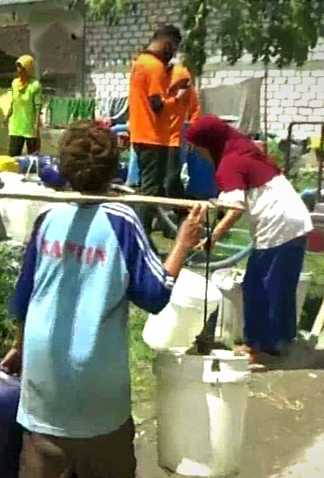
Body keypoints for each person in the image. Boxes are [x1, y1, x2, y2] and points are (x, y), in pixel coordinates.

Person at [0, 120, 205, 478]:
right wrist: (183, 243)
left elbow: (23, 297)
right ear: (115, 169)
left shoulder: (47, 218)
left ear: (65, 170)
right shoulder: (123, 220)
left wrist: (19, 346)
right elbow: (153, 295)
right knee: (111, 459)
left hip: (44, 373)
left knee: (41, 465)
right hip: (96, 378)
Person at [186, 114, 313, 366]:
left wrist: (213, 237)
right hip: (296, 220)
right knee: (281, 286)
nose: (194, 151)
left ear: (207, 143)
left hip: (278, 225)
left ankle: (256, 347)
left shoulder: (229, 163)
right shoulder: (244, 150)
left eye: (195, 145)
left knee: (257, 287)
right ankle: (281, 342)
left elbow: (235, 208)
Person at [127, 24, 186, 241]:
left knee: (149, 188)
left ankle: (157, 228)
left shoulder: (139, 63)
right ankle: (140, 238)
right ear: (167, 44)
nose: (173, 55)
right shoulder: (155, 67)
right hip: (153, 137)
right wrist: (177, 98)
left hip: (139, 134)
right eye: (173, 49)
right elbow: (157, 104)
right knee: (151, 192)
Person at [165, 62, 200, 202]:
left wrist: (193, 135)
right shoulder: (154, 75)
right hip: (156, 138)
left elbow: (194, 108)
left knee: (171, 179)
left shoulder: (180, 76)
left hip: (171, 138)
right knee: (165, 180)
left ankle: (180, 211)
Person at [5, 54, 43, 156]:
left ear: (28, 69)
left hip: (30, 126)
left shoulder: (35, 85)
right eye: (18, 67)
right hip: (16, 126)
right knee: (13, 156)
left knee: (33, 157)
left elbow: (38, 106)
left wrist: (36, 124)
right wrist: (6, 117)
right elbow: (13, 102)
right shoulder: (14, 83)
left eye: (22, 67)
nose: (19, 70)